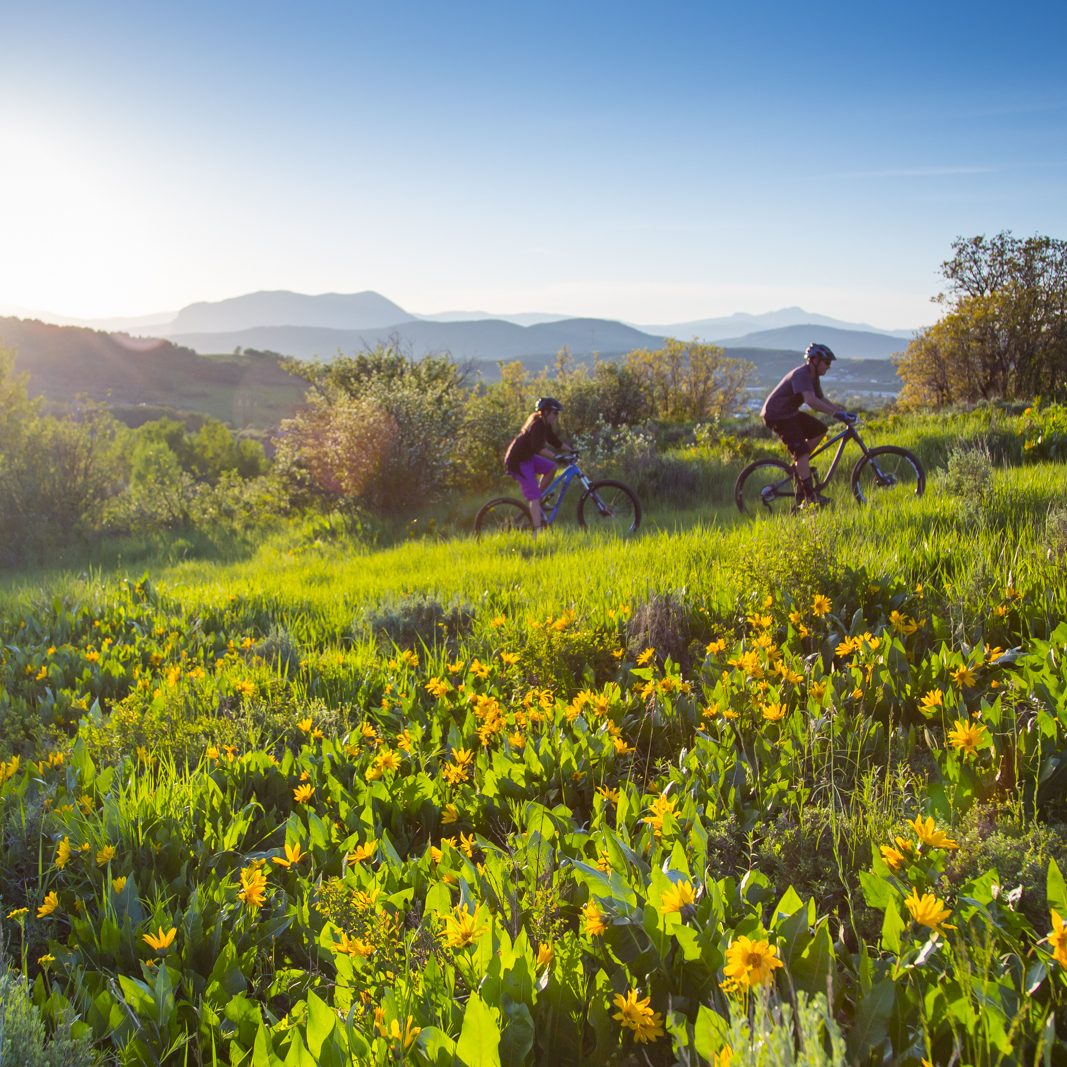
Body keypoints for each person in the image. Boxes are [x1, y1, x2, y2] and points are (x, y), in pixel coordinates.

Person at [760, 343, 856, 507]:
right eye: (826, 363)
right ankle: (810, 496)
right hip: (777, 415)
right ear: (814, 360)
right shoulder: (801, 374)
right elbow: (811, 401)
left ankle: (800, 465)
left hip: (789, 413)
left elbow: (821, 399)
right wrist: (835, 414)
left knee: (820, 430)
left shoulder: (813, 377)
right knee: (802, 452)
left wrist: (841, 412)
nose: (828, 367)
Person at [504, 397, 573, 532]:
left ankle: (539, 499)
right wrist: (558, 457)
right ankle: (537, 531)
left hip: (528, 458)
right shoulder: (537, 425)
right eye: (555, 413)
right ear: (546, 412)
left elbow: (554, 441)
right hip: (517, 462)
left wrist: (572, 450)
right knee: (534, 496)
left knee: (551, 468)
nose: (556, 416)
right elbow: (538, 448)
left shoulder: (544, 425)